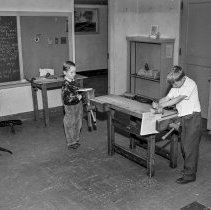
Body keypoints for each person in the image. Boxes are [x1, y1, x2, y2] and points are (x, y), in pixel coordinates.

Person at [152, 65, 202, 184]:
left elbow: (176, 100)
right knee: (184, 146)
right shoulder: (177, 84)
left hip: (193, 117)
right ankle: (188, 169)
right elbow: (168, 97)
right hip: (183, 116)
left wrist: (161, 106)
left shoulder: (191, 84)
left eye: (175, 84)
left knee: (190, 148)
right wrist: (157, 102)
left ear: (182, 79)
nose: (173, 87)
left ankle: (190, 175)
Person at [61, 61, 83, 150]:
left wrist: (82, 96)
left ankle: (76, 139)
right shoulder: (65, 85)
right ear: (65, 73)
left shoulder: (74, 81)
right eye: (71, 72)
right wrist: (77, 97)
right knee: (70, 124)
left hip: (78, 105)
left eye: (75, 72)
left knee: (78, 123)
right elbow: (67, 98)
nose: (74, 74)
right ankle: (71, 142)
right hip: (70, 107)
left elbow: (78, 91)